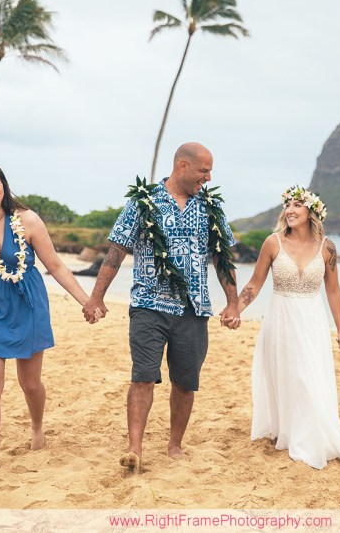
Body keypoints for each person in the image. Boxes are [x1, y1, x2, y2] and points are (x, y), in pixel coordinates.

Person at [82, 142, 240, 471]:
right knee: (142, 377)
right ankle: (134, 448)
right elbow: (116, 251)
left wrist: (233, 303)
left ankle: (175, 444)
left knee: (185, 381)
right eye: (204, 171)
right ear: (183, 165)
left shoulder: (210, 207)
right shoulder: (144, 202)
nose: (208, 178)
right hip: (148, 305)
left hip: (194, 309)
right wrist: (96, 297)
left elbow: (222, 258)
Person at [0, 161, 93, 475]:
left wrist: (86, 301)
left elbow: (55, 266)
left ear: (3, 185)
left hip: (28, 303)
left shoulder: (28, 219)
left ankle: (37, 427)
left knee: (30, 383)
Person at [238, 185, 340, 469]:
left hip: (311, 320)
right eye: (287, 205)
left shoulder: (327, 247)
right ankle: (290, 430)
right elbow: (255, 283)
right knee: (287, 374)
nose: (290, 210)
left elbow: (333, 291)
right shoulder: (273, 243)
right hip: (280, 318)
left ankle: (308, 436)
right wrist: (235, 309)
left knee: (307, 376)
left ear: (312, 212)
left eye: (297, 205)